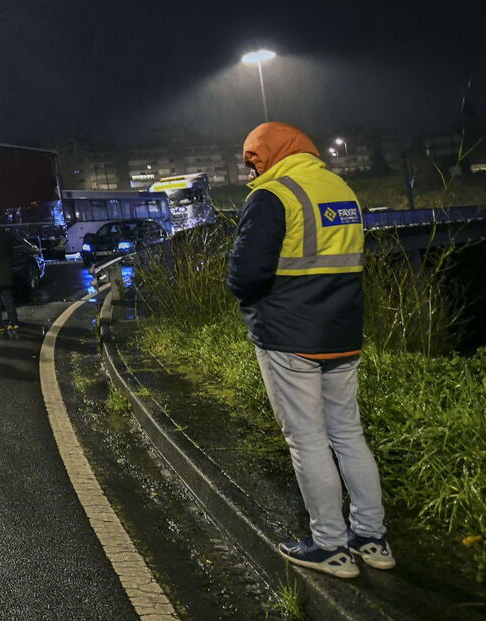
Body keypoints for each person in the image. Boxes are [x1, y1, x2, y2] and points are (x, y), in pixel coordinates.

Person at [227, 122, 393, 579]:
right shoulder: (341, 190)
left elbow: (245, 275)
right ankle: (372, 538)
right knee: (349, 435)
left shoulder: (273, 196)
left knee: (307, 440)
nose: (251, 169)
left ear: (270, 154)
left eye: (254, 159)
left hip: (288, 335)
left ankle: (330, 546)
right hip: (342, 332)